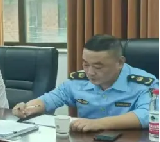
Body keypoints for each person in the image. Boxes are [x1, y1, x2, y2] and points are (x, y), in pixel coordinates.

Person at [13, 34, 158, 131]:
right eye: (86, 64)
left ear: (120, 62)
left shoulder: (144, 83)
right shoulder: (78, 81)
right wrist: (29, 108)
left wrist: (99, 123)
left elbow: (148, 114)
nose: (90, 72)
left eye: (98, 66)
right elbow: (51, 99)